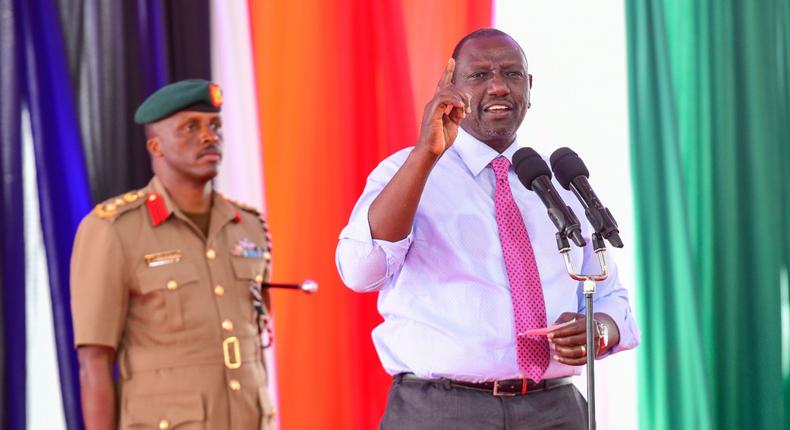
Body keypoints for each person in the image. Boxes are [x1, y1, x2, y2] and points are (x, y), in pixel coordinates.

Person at [335, 29, 639, 429]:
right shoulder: (404, 173)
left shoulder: (556, 180)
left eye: (512, 74)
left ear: (529, 89)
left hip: (555, 408)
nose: (498, 86)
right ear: (451, 88)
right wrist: (425, 155)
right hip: (442, 409)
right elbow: (360, 271)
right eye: (479, 76)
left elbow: (611, 298)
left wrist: (599, 329)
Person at [70, 79, 276, 429]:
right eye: (190, 127)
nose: (209, 136)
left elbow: (254, 342)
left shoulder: (249, 226)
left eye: (215, 126)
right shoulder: (114, 230)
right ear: (156, 146)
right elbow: (95, 364)